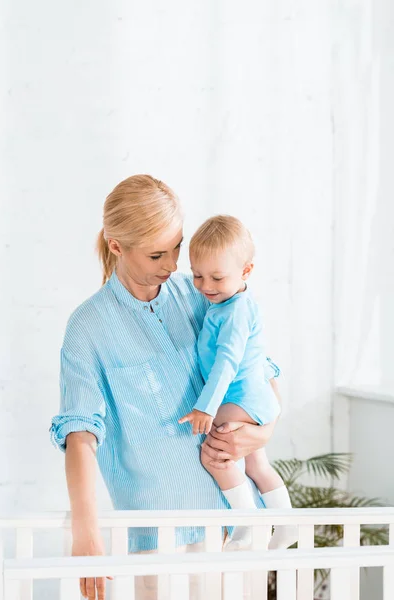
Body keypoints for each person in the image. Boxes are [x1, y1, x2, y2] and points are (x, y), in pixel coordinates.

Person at [50, 174, 281, 600]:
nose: (174, 265)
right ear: (116, 246)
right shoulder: (88, 328)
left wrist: (261, 433)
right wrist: (86, 534)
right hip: (163, 536)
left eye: (177, 246)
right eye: (158, 253)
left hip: (236, 520)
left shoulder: (201, 294)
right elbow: (80, 435)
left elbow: (257, 371)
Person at [179, 215, 297, 550]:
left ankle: (246, 524)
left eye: (217, 277)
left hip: (241, 397)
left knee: (216, 456)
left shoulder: (235, 311)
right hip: (253, 398)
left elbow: (226, 363)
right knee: (257, 462)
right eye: (197, 275)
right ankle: (287, 525)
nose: (205, 285)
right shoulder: (228, 304)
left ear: (246, 272)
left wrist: (206, 406)